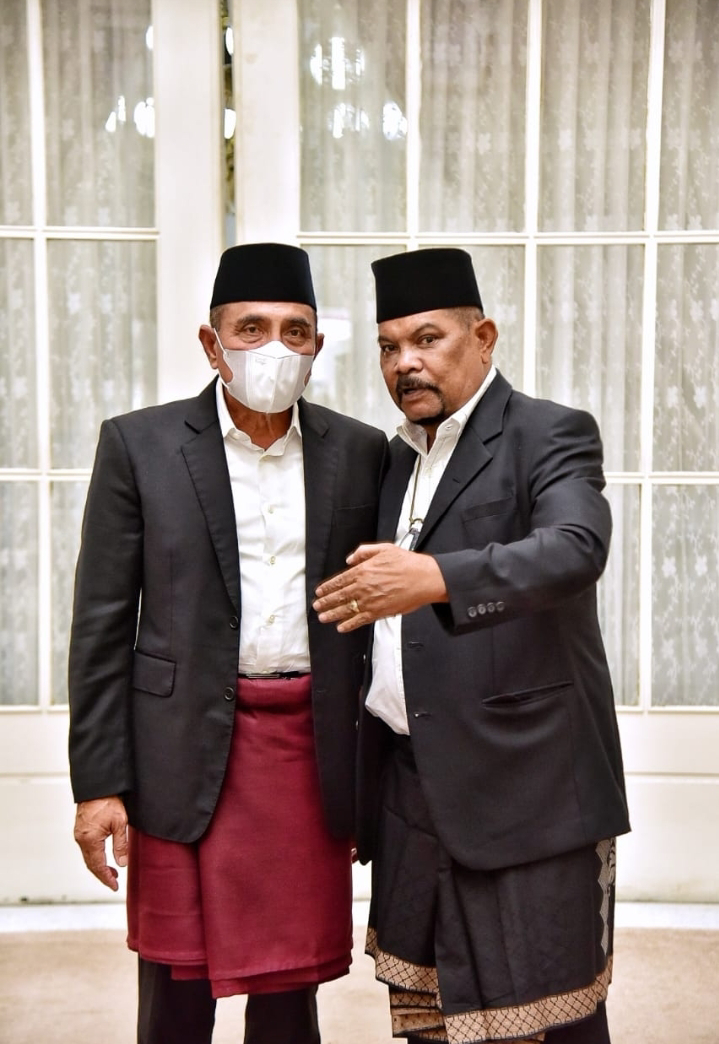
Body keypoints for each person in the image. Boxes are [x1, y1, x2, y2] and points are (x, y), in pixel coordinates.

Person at [68, 242, 388, 1044]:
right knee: (176, 989)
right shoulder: (138, 445)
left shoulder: (360, 451)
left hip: (306, 749)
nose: (274, 347)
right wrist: (98, 785)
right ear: (211, 344)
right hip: (178, 748)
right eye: (251, 328)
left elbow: (382, 619)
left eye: (294, 330)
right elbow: (102, 623)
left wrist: (376, 778)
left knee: (289, 990)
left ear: (316, 345)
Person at [313, 247, 631, 1044]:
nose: (405, 362)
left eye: (427, 338)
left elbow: (574, 548)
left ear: (482, 337)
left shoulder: (547, 432)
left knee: (555, 1018)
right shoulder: (394, 459)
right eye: (388, 346)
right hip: (411, 786)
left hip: (526, 784)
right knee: (431, 1018)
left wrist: (435, 578)